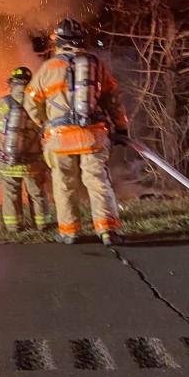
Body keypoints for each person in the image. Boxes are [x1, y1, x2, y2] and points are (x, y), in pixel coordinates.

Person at [24, 19, 129, 246]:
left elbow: (30, 101)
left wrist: (44, 123)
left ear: (58, 42)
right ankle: (107, 230)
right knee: (98, 181)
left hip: (60, 139)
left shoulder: (48, 68)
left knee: (64, 184)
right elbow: (113, 98)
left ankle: (69, 232)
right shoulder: (95, 64)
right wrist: (121, 126)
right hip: (92, 135)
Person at [0, 67, 53, 232]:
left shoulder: (4, 103)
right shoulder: (38, 102)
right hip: (32, 161)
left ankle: (14, 226)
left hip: (8, 161)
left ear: (12, 83)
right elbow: (45, 125)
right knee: (37, 193)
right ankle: (42, 224)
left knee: (11, 194)